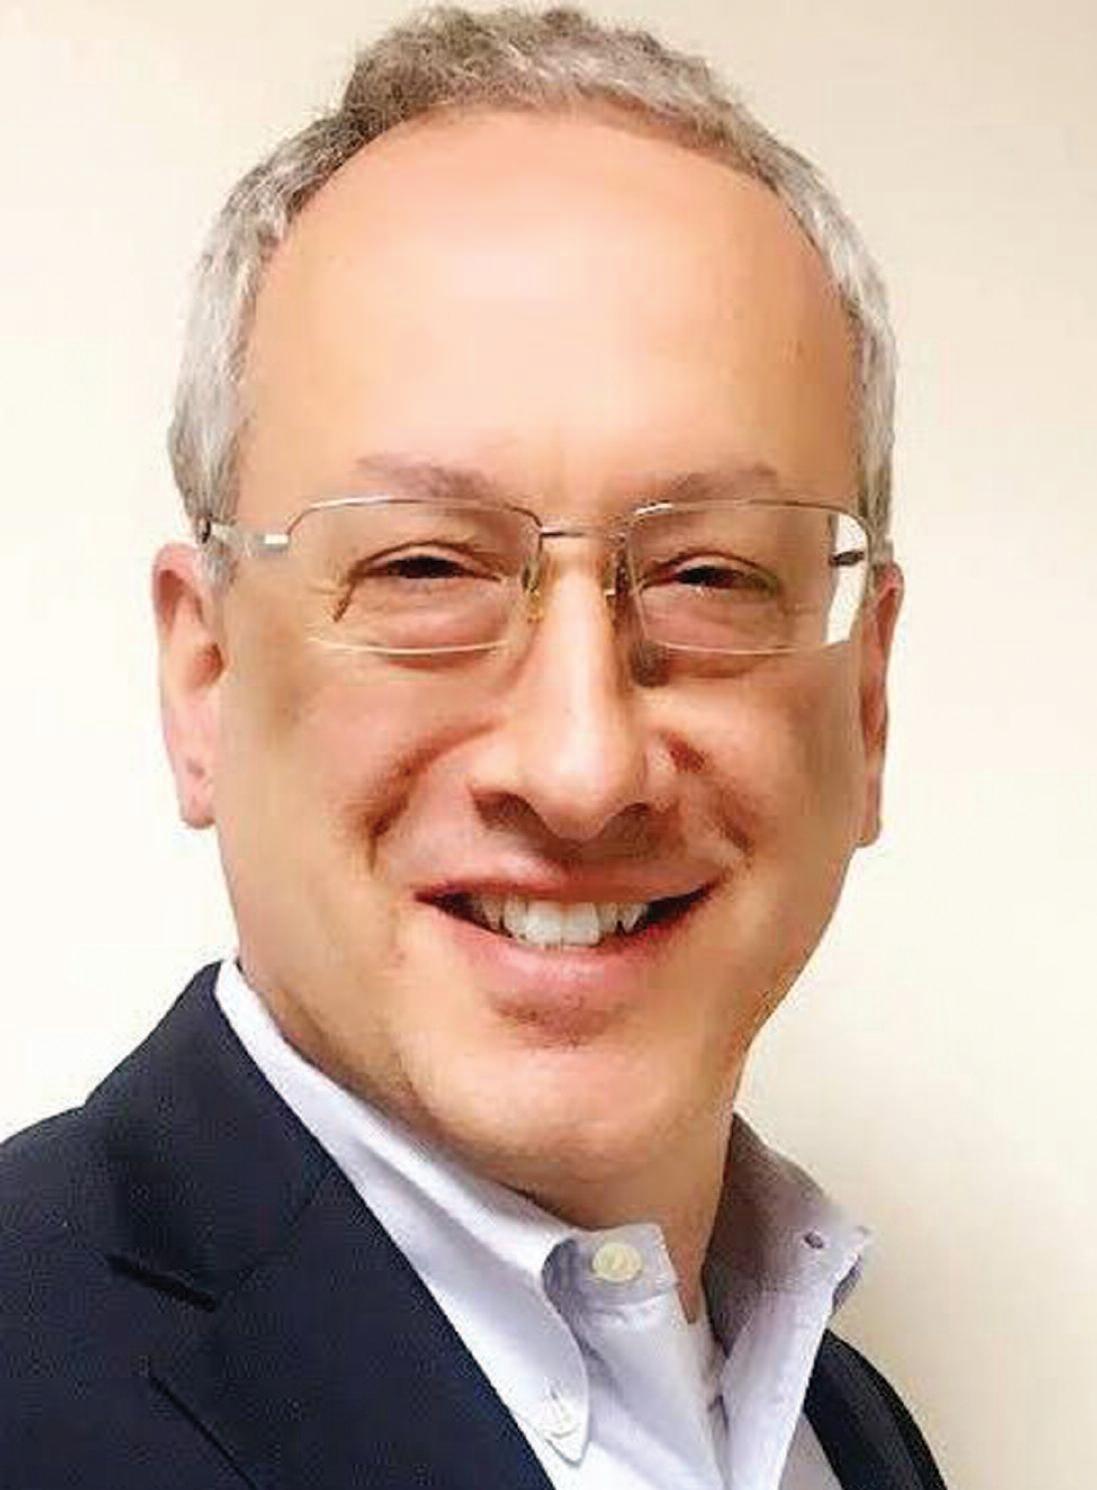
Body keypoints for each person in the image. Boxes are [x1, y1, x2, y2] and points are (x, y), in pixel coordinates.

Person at [0, 7, 947, 1488]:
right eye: (425, 569)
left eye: (709, 576)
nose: (580, 769)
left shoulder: (850, 1430)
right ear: (204, 678)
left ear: (865, 702)